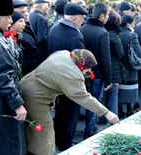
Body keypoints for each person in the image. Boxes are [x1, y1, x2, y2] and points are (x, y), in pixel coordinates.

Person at [19, 49, 120, 155]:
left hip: (26, 84)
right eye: (88, 67)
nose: (90, 71)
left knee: (32, 128)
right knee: (45, 131)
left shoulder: (65, 54)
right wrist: (106, 113)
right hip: (35, 97)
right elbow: (84, 97)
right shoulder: (73, 74)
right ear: (81, 65)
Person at [47, 2, 88, 151]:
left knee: (60, 110)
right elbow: (80, 63)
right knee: (70, 113)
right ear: (74, 19)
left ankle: (58, 138)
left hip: (55, 78)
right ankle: (66, 144)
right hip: (69, 81)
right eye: (82, 18)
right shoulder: (75, 36)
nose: (83, 21)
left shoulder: (55, 28)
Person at [80, 2, 112, 139]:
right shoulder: (102, 32)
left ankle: (88, 128)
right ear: (102, 15)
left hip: (82, 71)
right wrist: (109, 80)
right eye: (108, 15)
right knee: (94, 103)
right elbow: (105, 58)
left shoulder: (82, 28)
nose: (108, 17)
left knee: (85, 101)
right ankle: (89, 130)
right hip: (97, 74)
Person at [0, 0, 27, 154]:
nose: (11, 21)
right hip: (4, 103)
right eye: (8, 18)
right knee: (9, 143)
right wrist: (17, 104)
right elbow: (4, 76)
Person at [99, 10, 124, 124]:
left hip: (101, 68)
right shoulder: (113, 33)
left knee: (102, 93)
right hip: (113, 68)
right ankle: (114, 120)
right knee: (113, 93)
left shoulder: (102, 30)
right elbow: (120, 53)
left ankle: (101, 117)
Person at [118, 14, 141, 116]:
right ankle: (130, 109)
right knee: (131, 88)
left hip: (119, 65)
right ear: (129, 23)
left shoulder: (117, 33)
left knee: (120, 87)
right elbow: (139, 53)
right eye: (133, 23)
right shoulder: (132, 35)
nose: (134, 25)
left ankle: (120, 110)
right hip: (130, 65)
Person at [13, 0, 42, 76]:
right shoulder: (13, 34)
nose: (26, 14)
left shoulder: (26, 26)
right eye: (22, 12)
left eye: (26, 11)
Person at [8, 10, 26, 77]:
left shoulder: (19, 36)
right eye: (20, 21)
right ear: (12, 23)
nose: (24, 24)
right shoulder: (7, 39)